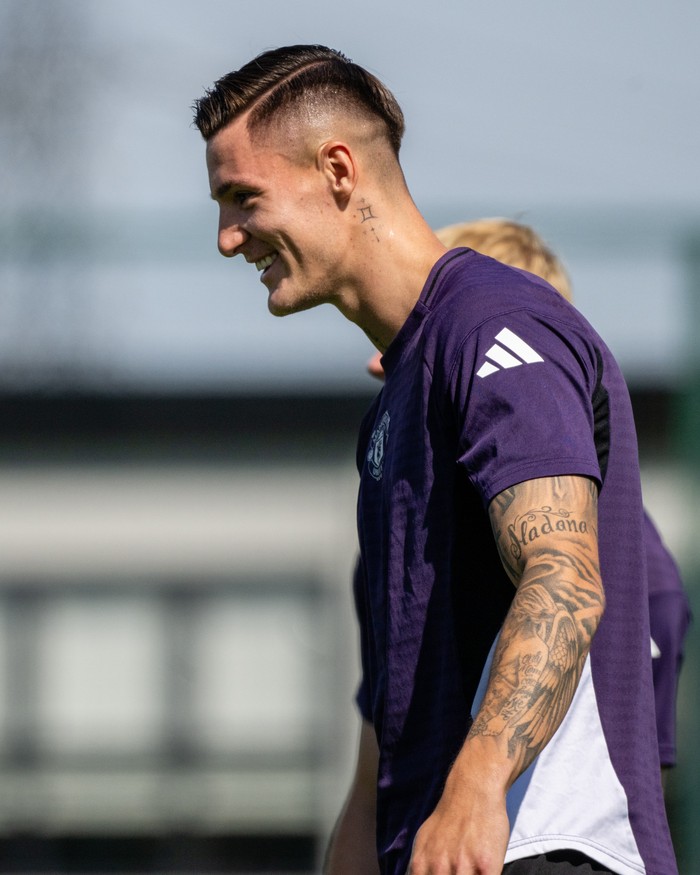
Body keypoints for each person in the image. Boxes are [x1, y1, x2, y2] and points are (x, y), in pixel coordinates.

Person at [193, 46, 677, 874]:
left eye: (244, 199)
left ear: (338, 169)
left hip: (539, 847)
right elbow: (392, 724)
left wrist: (478, 788)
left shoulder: (495, 328)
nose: (228, 237)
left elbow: (564, 576)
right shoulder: (398, 398)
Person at [366, 217, 692, 789]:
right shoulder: (401, 519)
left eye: (432, 333)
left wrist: (479, 785)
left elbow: (630, 792)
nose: (382, 361)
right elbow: (374, 773)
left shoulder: (636, 564)